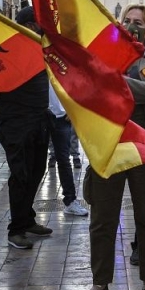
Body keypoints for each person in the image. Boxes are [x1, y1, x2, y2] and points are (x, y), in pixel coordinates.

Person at [80, 4, 145, 290]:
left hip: (143, 145)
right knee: (102, 218)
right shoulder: (103, 57)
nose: (132, 27)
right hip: (109, 144)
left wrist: (115, 82)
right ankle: (100, 282)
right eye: (127, 22)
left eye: (139, 23)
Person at [0, 6, 53, 249]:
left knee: (36, 171)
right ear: (30, 25)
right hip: (16, 123)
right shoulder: (9, 50)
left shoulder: (41, 49)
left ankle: (27, 219)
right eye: (39, 24)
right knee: (20, 175)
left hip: (39, 120)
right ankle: (16, 230)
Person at [47, 83, 89, 216]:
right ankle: (22, 209)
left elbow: (75, 85)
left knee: (64, 160)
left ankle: (70, 201)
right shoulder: (33, 66)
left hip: (61, 118)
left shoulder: (60, 63)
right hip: (39, 117)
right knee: (33, 162)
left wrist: (72, 110)